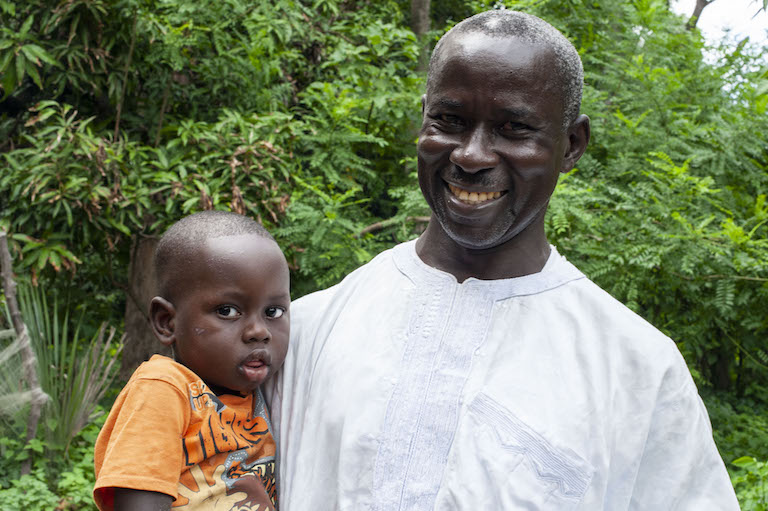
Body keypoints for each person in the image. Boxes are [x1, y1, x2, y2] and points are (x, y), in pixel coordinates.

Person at [271, 9, 739, 510]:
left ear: (572, 144)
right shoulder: (301, 335)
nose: (471, 156)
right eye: (449, 121)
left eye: (514, 128)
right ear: (423, 117)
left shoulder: (638, 371)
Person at [94, 211, 290, 511]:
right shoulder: (163, 388)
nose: (259, 332)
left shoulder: (265, 393)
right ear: (167, 322)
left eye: (273, 312)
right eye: (227, 311)